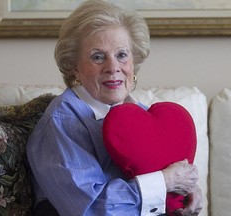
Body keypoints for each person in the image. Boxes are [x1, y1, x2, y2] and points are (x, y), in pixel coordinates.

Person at [26, 0, 202, 215]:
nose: (113, 68)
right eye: (98, 57)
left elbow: (168, 172)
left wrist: (186, 192)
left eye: (121, 55)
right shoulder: (63, 120)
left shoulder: (143, 115)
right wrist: (165, 182)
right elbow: (91, 207)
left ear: (133, 62)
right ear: (74, 67)